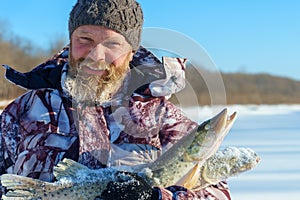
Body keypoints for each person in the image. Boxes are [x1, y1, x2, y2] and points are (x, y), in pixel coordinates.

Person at [0, 0, 231, 199]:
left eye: (112, 43)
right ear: (70, 42)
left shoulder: (165, 119)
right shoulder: (21, 112)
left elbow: (217, 193)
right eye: (85, 39)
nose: (96, 56)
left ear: (132, 52)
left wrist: (156, 197)